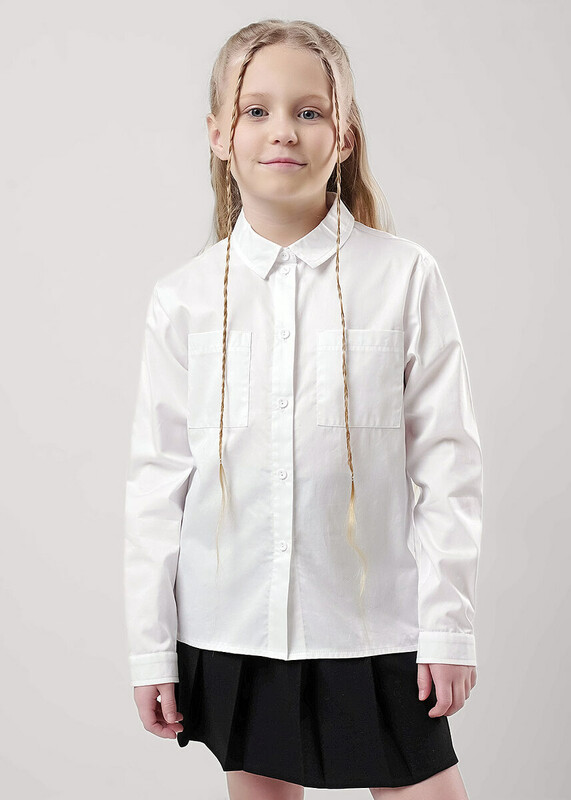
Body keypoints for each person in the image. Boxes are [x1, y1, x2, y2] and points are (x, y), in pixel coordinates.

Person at [123, 18, 483, 800]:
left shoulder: (403, 278)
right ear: (219, 134)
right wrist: (151, 646)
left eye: (308, 111)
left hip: (375, 625)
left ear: (342, 136)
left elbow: (448, 465)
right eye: (255, 110)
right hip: (232, 627)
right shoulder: (183, 300)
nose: (282, 130)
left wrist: (447, 627)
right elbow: (157, 483)